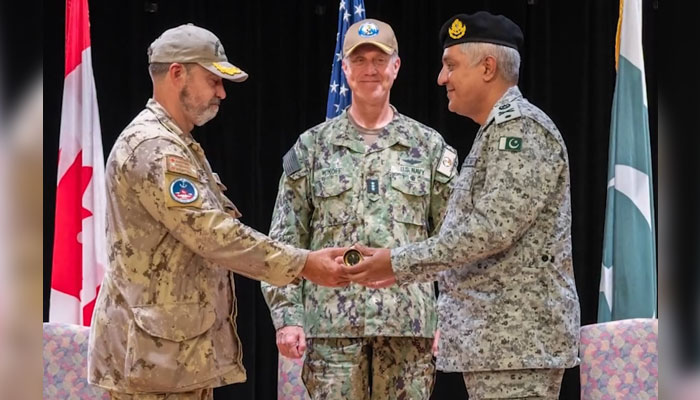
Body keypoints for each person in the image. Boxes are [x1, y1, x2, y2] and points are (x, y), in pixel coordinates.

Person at [87, 23, 347, 400]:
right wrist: (304, 263)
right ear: (177, 74)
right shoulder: (156, 148)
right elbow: (215, 234)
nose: (222, 93)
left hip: (170, 357)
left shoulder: (177, 143)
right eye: (213, 80)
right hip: (152, 363)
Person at [343, 12, 581, 400]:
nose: (441, 78)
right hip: (499, 345)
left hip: (517, 346)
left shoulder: (520, 131)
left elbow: (488, 231)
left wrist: (398, 263)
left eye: (450, 65)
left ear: (487, 67)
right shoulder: (497, 132)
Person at [260, 18, 458, 400]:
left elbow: (454, 243)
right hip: (333, 330)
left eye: (380, 60)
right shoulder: (313, 148)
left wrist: (448, 316)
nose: (371, 70)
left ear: (395, 67)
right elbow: (284, 240)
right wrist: (288, 317)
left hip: (407, 329)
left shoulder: (429, 148)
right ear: (345, 68)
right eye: (360, 60)